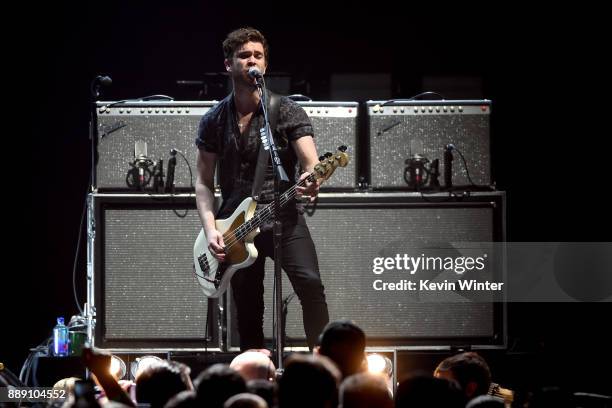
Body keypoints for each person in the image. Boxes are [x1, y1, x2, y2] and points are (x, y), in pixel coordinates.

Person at [195, 27, 329, 350]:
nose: (252, 61)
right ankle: (255, 379)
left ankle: (328, 364)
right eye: (244, 56)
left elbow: (311, 164)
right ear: (229, 64)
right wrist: (210, 228)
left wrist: (313, 180)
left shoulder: (284, 110)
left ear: (265, 65)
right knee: (249, 307)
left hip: (284, 216)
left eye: (258, 55)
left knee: (311, 285)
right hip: (235, 226)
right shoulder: (214, 119)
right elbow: (202, 181)